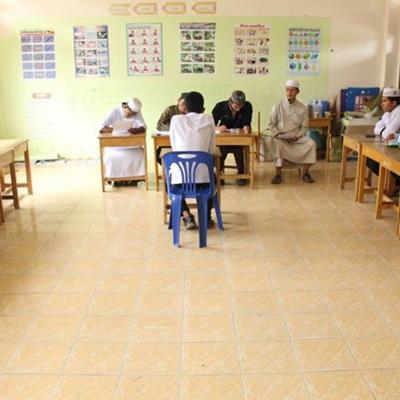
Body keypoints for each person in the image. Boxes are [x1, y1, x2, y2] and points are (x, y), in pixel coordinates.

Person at [169, 91, 217, 230]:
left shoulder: (176, 120)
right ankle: (206, 218)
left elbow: (174, 147)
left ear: (185, 107)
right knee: (212, 178)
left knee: (169, 182)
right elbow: (211, 148)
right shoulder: (209, 119)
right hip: (203, 180)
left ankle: (186, 215)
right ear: (203, 108)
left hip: (180, 181)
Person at [269, 80, 316, 184]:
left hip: (296, 138)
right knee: (277, 143)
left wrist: (298, 136)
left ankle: (305, 173)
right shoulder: (278, 105)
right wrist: (280, 134)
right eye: (287, 90)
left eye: (292, 90)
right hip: (281, 138)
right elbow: (271, 125)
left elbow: (304, 128)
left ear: (297, 92)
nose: (289, 93)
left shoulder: (303, 108)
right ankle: (278, 174)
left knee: (311, 144)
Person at [99, 98, 146, 186]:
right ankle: (115, 179)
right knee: (110, 157)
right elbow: (101, 127)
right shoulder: (114, 111)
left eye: (132, 115)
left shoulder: (137, 113)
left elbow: (143, 126)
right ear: (125, 107)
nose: (129, 116)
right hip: (114, 146)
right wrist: (115, 129)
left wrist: (136, 130)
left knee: (140, 154)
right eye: (128, 114)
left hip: (131, 146)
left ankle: (135, 179)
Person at [212, 90, 253, 185]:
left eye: (240, 106)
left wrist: (247, 127)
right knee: (223, 150)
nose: (238, 109)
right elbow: (211, 125)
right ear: (230, 102)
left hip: (239, 138)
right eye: (235, 107)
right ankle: (219, 174)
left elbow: (247, 121)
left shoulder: (247, 106)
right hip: (223, 138)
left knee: (237, 149)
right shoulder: (220, 106)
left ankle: (241, 174)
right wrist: (218, 128)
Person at [367, 87, 400, 186]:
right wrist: (383, 131)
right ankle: (393, 183)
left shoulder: (399, 112)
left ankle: (394, 183)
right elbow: (376, 128)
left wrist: (383, 131)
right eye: (382, 101)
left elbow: (388, 133)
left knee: (375, 161)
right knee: (369, 159)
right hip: (393, 146)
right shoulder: (387, 113)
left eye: (385, 101)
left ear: (393, 103)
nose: (382, 104)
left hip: (397, 150)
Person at [156, 93, 188, 164]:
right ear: (178, 101)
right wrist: (173, 128)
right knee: (158, 154)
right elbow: (159, 125)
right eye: (183, 104)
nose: (184, 107)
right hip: (169, 141)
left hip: (185, 142)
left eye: (187, 105)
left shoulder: (190, 112)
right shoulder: (170, 110)